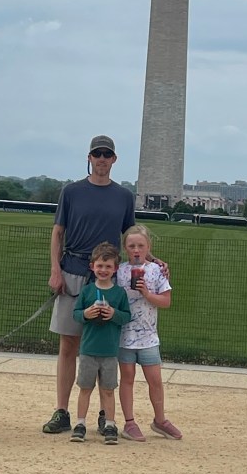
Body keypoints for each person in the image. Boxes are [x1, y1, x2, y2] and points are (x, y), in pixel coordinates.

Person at [43, 135, 136, 434]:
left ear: (114, 159)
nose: (102, 159)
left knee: (103, 347)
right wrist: (55, 270)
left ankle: (103, 413)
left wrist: (151, 259)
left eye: (107, 154)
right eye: (97, 154)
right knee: (68, 344)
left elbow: (130, 237)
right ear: (89, 157)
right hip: (73, 270)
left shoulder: (124, 196)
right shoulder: (71, 192)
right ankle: (62, 410)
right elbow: (58, 232)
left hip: (107, 277)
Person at [116, 225, 181, 441]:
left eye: (140, 246)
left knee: (155, 380)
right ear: (125, 248)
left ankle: (160, 420)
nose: (136, 250)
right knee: (127, 378)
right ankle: (129, 422)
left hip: (149, 337)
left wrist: (147, 293)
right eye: (131, 246)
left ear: (148, 247)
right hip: (125, 336)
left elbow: (166, 301)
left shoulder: (156, 271)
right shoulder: (120, 271)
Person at [69, 242, 131, 444]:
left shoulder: (119, 293)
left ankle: (110, 424)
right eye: (100, 266)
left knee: (108, 390)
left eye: (108, 266)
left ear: (115, 269)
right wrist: (86, 314)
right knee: (85, 388)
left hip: (109, 351)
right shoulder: (87, 291)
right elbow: (76, 314)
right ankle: (80, 423)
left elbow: (126, 316)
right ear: (92, 266)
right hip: (88, 349)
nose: (103, 270)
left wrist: (113, 313)